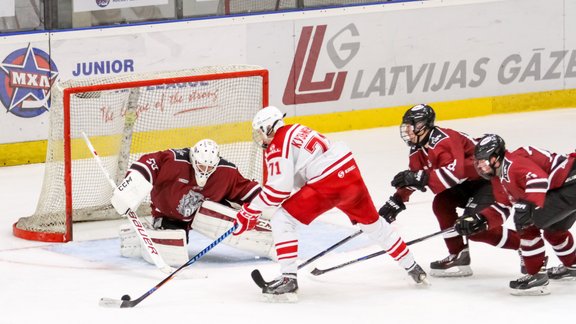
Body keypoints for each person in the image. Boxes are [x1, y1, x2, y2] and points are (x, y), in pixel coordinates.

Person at [232, 105, 427, 302]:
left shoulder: (278, 142)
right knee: (373, 224)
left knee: (282, 219)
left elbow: (278, 189)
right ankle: (412, 267)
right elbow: (296, 175)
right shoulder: (298, 129)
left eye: (261, 132)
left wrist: (250, 212)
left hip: (328, 183)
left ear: (268, 128)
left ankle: (288, 279)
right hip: (350, 173)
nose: (262, 139)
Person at [379, 104, 520, 277]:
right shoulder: (416, 150)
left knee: (473, 227)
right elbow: (415, 177)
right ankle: (458, 254)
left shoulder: (444, 139)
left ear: (423, 125)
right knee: (441, 203)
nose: (407, 131)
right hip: (469, 183)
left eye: (411, 126)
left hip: (490, 182)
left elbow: (455, 174)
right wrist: (397, 201)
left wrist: (419, 178)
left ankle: (526, 245)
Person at [110, 138, 274, 267]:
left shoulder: (226, 171)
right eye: (201, 166)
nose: (205, 171)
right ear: (193, 157)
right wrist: (132, 184)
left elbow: (245, 188)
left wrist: (270, 203)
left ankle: (270, 244)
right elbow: (149, 162)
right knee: (174, 250)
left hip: (204, 211)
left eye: (209, 168)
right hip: (170, 214)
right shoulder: (174, 160)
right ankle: (139, 239)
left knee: (239, 217)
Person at [473, 134, 576, 295]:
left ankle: (536, 275)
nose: (481, 166)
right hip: (566, 186)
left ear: (495, 158)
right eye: (478, 162)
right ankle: (573, 265)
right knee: (553, 229)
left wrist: (528, 204)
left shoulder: (513, 163)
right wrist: (481, 219)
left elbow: (539, 180)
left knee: (526, 220)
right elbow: (503, 206)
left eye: (483, 161)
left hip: (570, 184)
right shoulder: (499, 176)